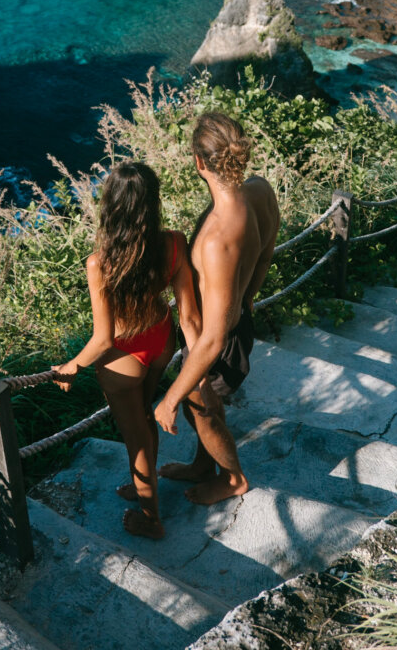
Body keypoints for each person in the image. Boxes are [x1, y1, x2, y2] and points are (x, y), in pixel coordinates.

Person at [52, 161, 199, 540]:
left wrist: (72, 366)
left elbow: (103, 339)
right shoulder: (174, 241)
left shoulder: (100, 264)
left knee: (134, 437)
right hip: (162, 342)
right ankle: (142, 485)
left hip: (124, 359)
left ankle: (152, 518)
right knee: (145, 420)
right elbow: (187, 310)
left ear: (111, 207)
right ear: (152, 203)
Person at [154, 112, 279, 505]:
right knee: (202, 408)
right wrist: (246, 297)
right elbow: (265, 255)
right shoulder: (260, 191)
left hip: (216, 340)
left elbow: (212, 338)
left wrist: (171, 397)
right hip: (236, 319)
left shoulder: (215, 239)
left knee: (200, 409)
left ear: (199, 162)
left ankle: (232, 478)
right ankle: (202, 465)